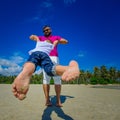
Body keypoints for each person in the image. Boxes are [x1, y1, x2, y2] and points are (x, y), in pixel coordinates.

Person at [12, 39, 80, 101]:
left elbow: (34, 37)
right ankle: (67, 68)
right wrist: (57, 41)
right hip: (45, 56)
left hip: (36, 53)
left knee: (32, 61)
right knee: (49, 69)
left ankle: (28, 68)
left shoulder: (39, 42)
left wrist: (33, 37)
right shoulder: (51, 46)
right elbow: (60, 42)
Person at [29, 25, 68, 107]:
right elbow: (31, 37)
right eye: (44, 30)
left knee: (57, 79)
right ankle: (47, 100)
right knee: (46, 79)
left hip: (55, 58)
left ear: (50, 30)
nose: (46, 31)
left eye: (47, 30)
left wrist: (58, 41)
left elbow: (66, 41)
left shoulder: (56, 37)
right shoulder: (41, 38)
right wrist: (36, 37)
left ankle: (58, 101)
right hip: (45, 57)